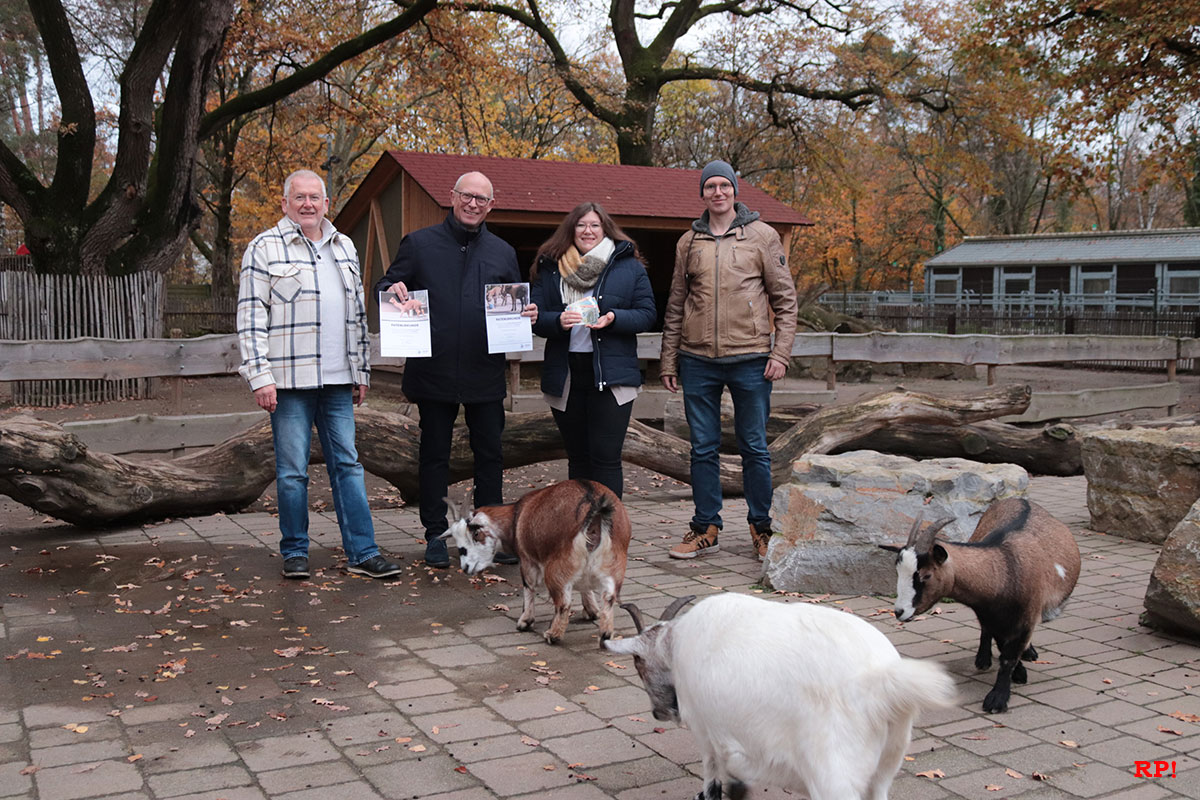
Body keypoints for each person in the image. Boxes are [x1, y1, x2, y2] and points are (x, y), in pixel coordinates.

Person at [237, 169, 402, 580]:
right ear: (285, 203)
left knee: (347, 465)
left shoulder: (344, 246)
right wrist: (260, 376)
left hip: (337, 381)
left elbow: (356, 316)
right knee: (292, 471)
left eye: (315, 197)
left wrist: (361, 370)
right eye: (299, 197)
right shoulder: (264, 249)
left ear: (327, 203)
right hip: (289, 383)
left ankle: (363, 552)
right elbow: (250, 318)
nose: (308, 204)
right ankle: (295, 551)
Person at [375, 171, 537, 567]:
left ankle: (489, 534)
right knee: (434, 456)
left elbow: (512, 306)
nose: (473, 204)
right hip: (434, 372)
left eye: (482, 199)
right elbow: (385, 287)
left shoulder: (502, 251)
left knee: (490, 455)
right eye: (467, 196)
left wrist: (527, 313)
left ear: (490, 205)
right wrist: (390, 291)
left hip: (484, 372)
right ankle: (435, 533)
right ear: (453, 197)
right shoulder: (419, 244)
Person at [659, 160, 798, 560]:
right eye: (710, 187)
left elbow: (785, 302)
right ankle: (705, 527)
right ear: (702, 193)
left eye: (724, 186)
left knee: (754, 445)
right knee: (702, 448)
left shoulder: (763, 236)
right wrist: (669, 360)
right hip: (697, 359)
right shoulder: (689, 242)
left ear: (735, 190)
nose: (717, 193)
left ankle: (761, 528)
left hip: (752, 358)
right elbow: (675, 304)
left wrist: (781, 353)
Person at [530, 203, 657, 498]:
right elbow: (536, 317)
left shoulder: (627, 265)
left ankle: (609, 532)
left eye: (594, 225)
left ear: (605, 229)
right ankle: (581, 529)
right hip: (567, 374)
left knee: (606, 456)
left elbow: (647, 313)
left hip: (611, 374)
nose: (588, 231)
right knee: (578, 457)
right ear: (570, 229)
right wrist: (557, 320)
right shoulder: (550, 266)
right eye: (581, 225)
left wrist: (614, 318)